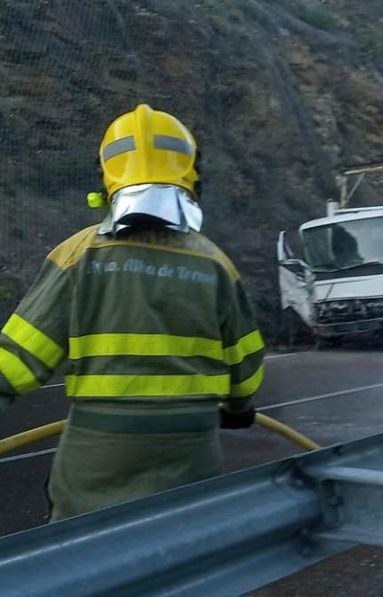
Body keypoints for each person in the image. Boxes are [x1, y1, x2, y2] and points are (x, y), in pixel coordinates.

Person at [0, 104, 266, 520]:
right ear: (192, 175)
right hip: (191, 450)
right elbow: (245, 370)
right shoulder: (216, 264)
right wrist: (238, 408)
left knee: (80, 553)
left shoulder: (79, 255)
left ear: (107, 178)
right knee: (185, 547)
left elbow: (15, 361)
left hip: (99, 451)